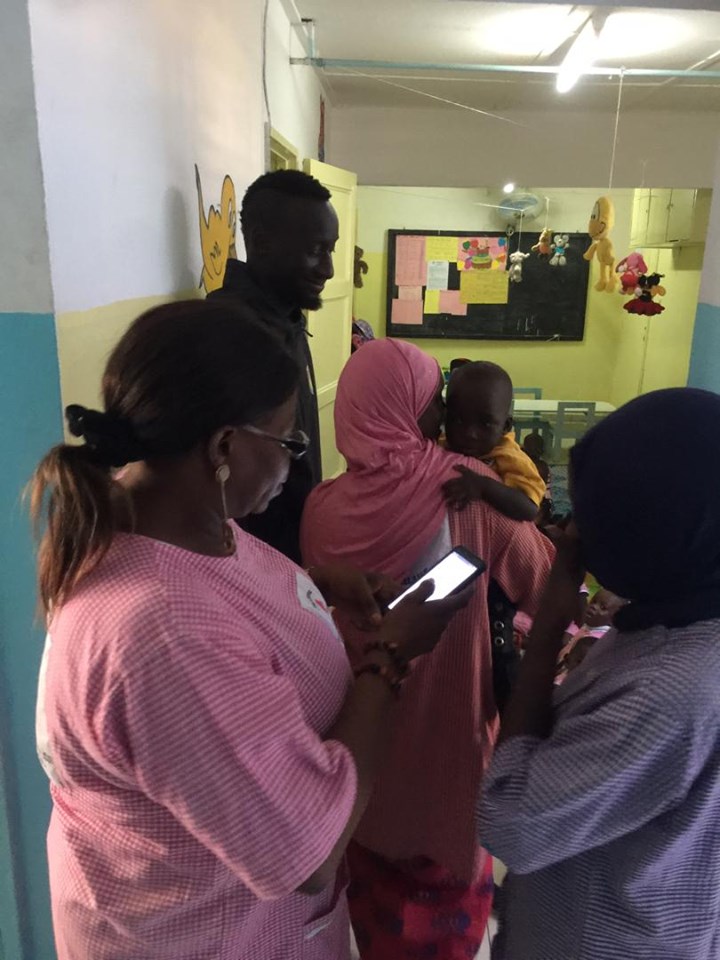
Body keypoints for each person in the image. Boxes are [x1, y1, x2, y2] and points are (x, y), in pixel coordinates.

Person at [30, 301, 472, 960]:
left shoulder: (173, 519)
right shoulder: (163, 633)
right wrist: (389, 657)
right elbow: (310, 853)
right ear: (223, 447)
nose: (294, 465)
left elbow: (222, 596)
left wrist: (312, 588)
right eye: (288, 442)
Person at [301, 339, 553, 960]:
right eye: (431, 402)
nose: (440, 416)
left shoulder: (320, 508)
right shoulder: (468, 487)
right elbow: (541, 582)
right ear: (408, 409)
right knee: (447, 905)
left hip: (362, 741)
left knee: (375, 896)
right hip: (450, 745)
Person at [479, 387, 720, 960]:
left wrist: (547, 628)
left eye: (594, 517)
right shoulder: (686, 611)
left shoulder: (669, 689)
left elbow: (509, 821)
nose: (572, 533)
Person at [209, 169, 339, 563]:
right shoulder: (230, 332)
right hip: (251, 553)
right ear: (262, 243)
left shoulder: (287, 318)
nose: (328, 269)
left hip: (293, 546)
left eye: (330, 250)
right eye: (315, 250)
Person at [442, 361, 546, 522]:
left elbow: (529, 509)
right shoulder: (441, 443)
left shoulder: (509, 456)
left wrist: (483, 486)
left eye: (485, 424)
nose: (470, 434)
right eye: (458, 420)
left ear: (505, 426)